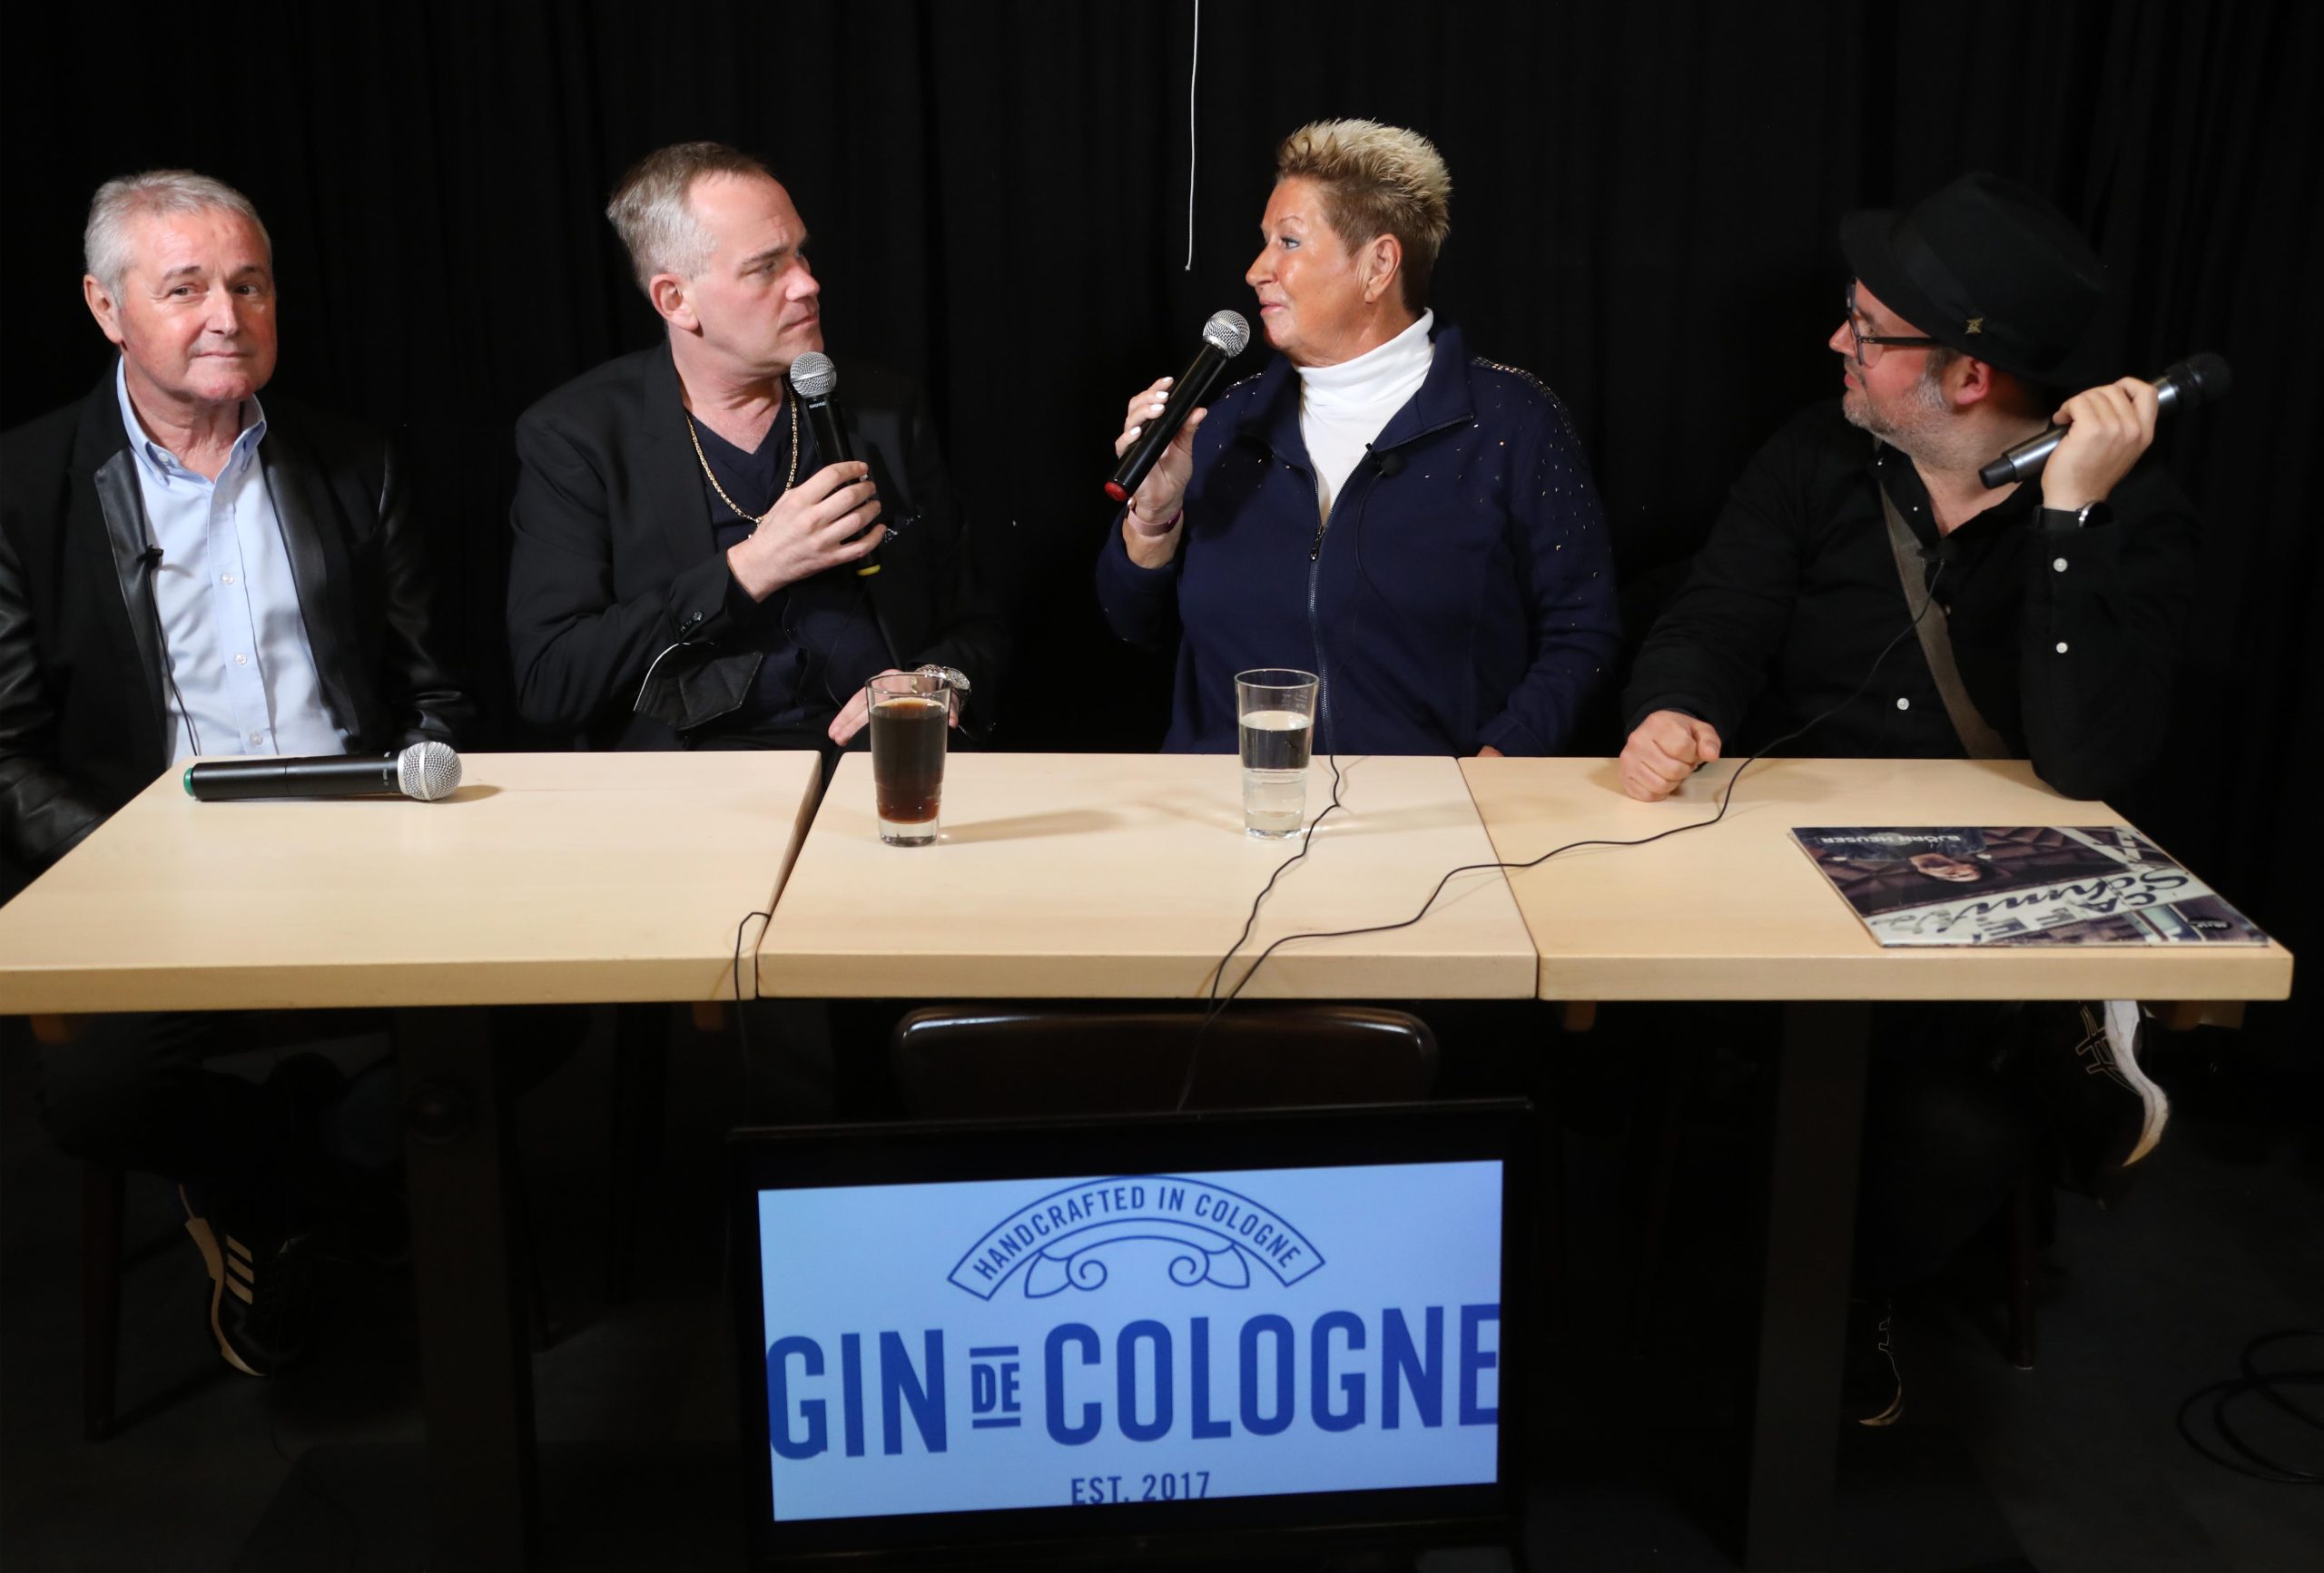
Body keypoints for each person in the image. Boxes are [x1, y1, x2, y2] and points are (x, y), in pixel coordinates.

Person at [1616, 172, 2195, 1424]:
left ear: (1968, 376)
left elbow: (2089, 758)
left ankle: (1844, 1297)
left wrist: (2067, 518)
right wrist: (1673, 706)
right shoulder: (1814, 455)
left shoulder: (2130, 519)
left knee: (1952, 1122)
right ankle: (2070, 1038)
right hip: (1784, 870)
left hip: (1985, 894)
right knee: (1726, 1061)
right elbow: (1716, 616)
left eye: (1869, 331)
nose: (1839, 342)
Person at [0, 170, 473, 1375]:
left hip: (364, 859)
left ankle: (301, 1167)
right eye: (186, 288)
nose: (228, 315)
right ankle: (312, 1181)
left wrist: (416, 816)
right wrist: (138, 859)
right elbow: (7, 755)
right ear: (106, 307)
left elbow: (434, 694)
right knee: (93, 1093)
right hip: (148, 875)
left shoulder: (354, 461)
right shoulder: (21, 486)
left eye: (250, 285)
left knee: (554, 1005)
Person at [1095, 119, 1619, 757]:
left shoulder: (1513, 423)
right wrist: (1153, 519)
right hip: (1231, 800)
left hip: (1430, 807)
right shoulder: (1225, 422)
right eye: (1264, 242)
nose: (1256, 270)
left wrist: (1498, 762)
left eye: (1289, 242)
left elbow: (1581, 631)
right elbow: (1134, 624)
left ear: (1378, 266)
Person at [507, 141, 1008, 760]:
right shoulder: (578, 436)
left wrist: (936, 680)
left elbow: (975, 624)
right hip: (700, 785)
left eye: (800, 253)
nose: (807, 283)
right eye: (766, 267)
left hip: (882, 764)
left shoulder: (885, 409)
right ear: (676, 300)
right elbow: (552, 681)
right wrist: (749, 569)